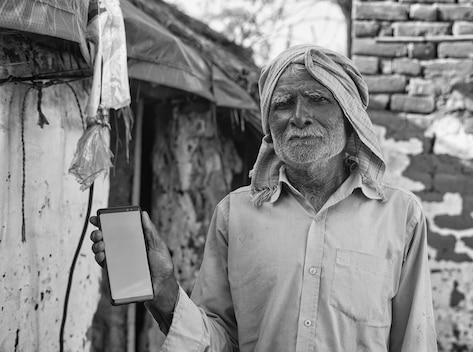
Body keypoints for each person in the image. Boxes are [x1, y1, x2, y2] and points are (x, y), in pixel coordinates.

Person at [90, 44, 438, 351]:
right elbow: (220, 340)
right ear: (269, 127)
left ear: (351, 123)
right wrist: (164, 291)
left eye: (318, 99)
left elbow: (415, 340)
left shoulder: (399, 216)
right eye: (283, 104)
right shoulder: (234, 215)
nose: (299, 117)